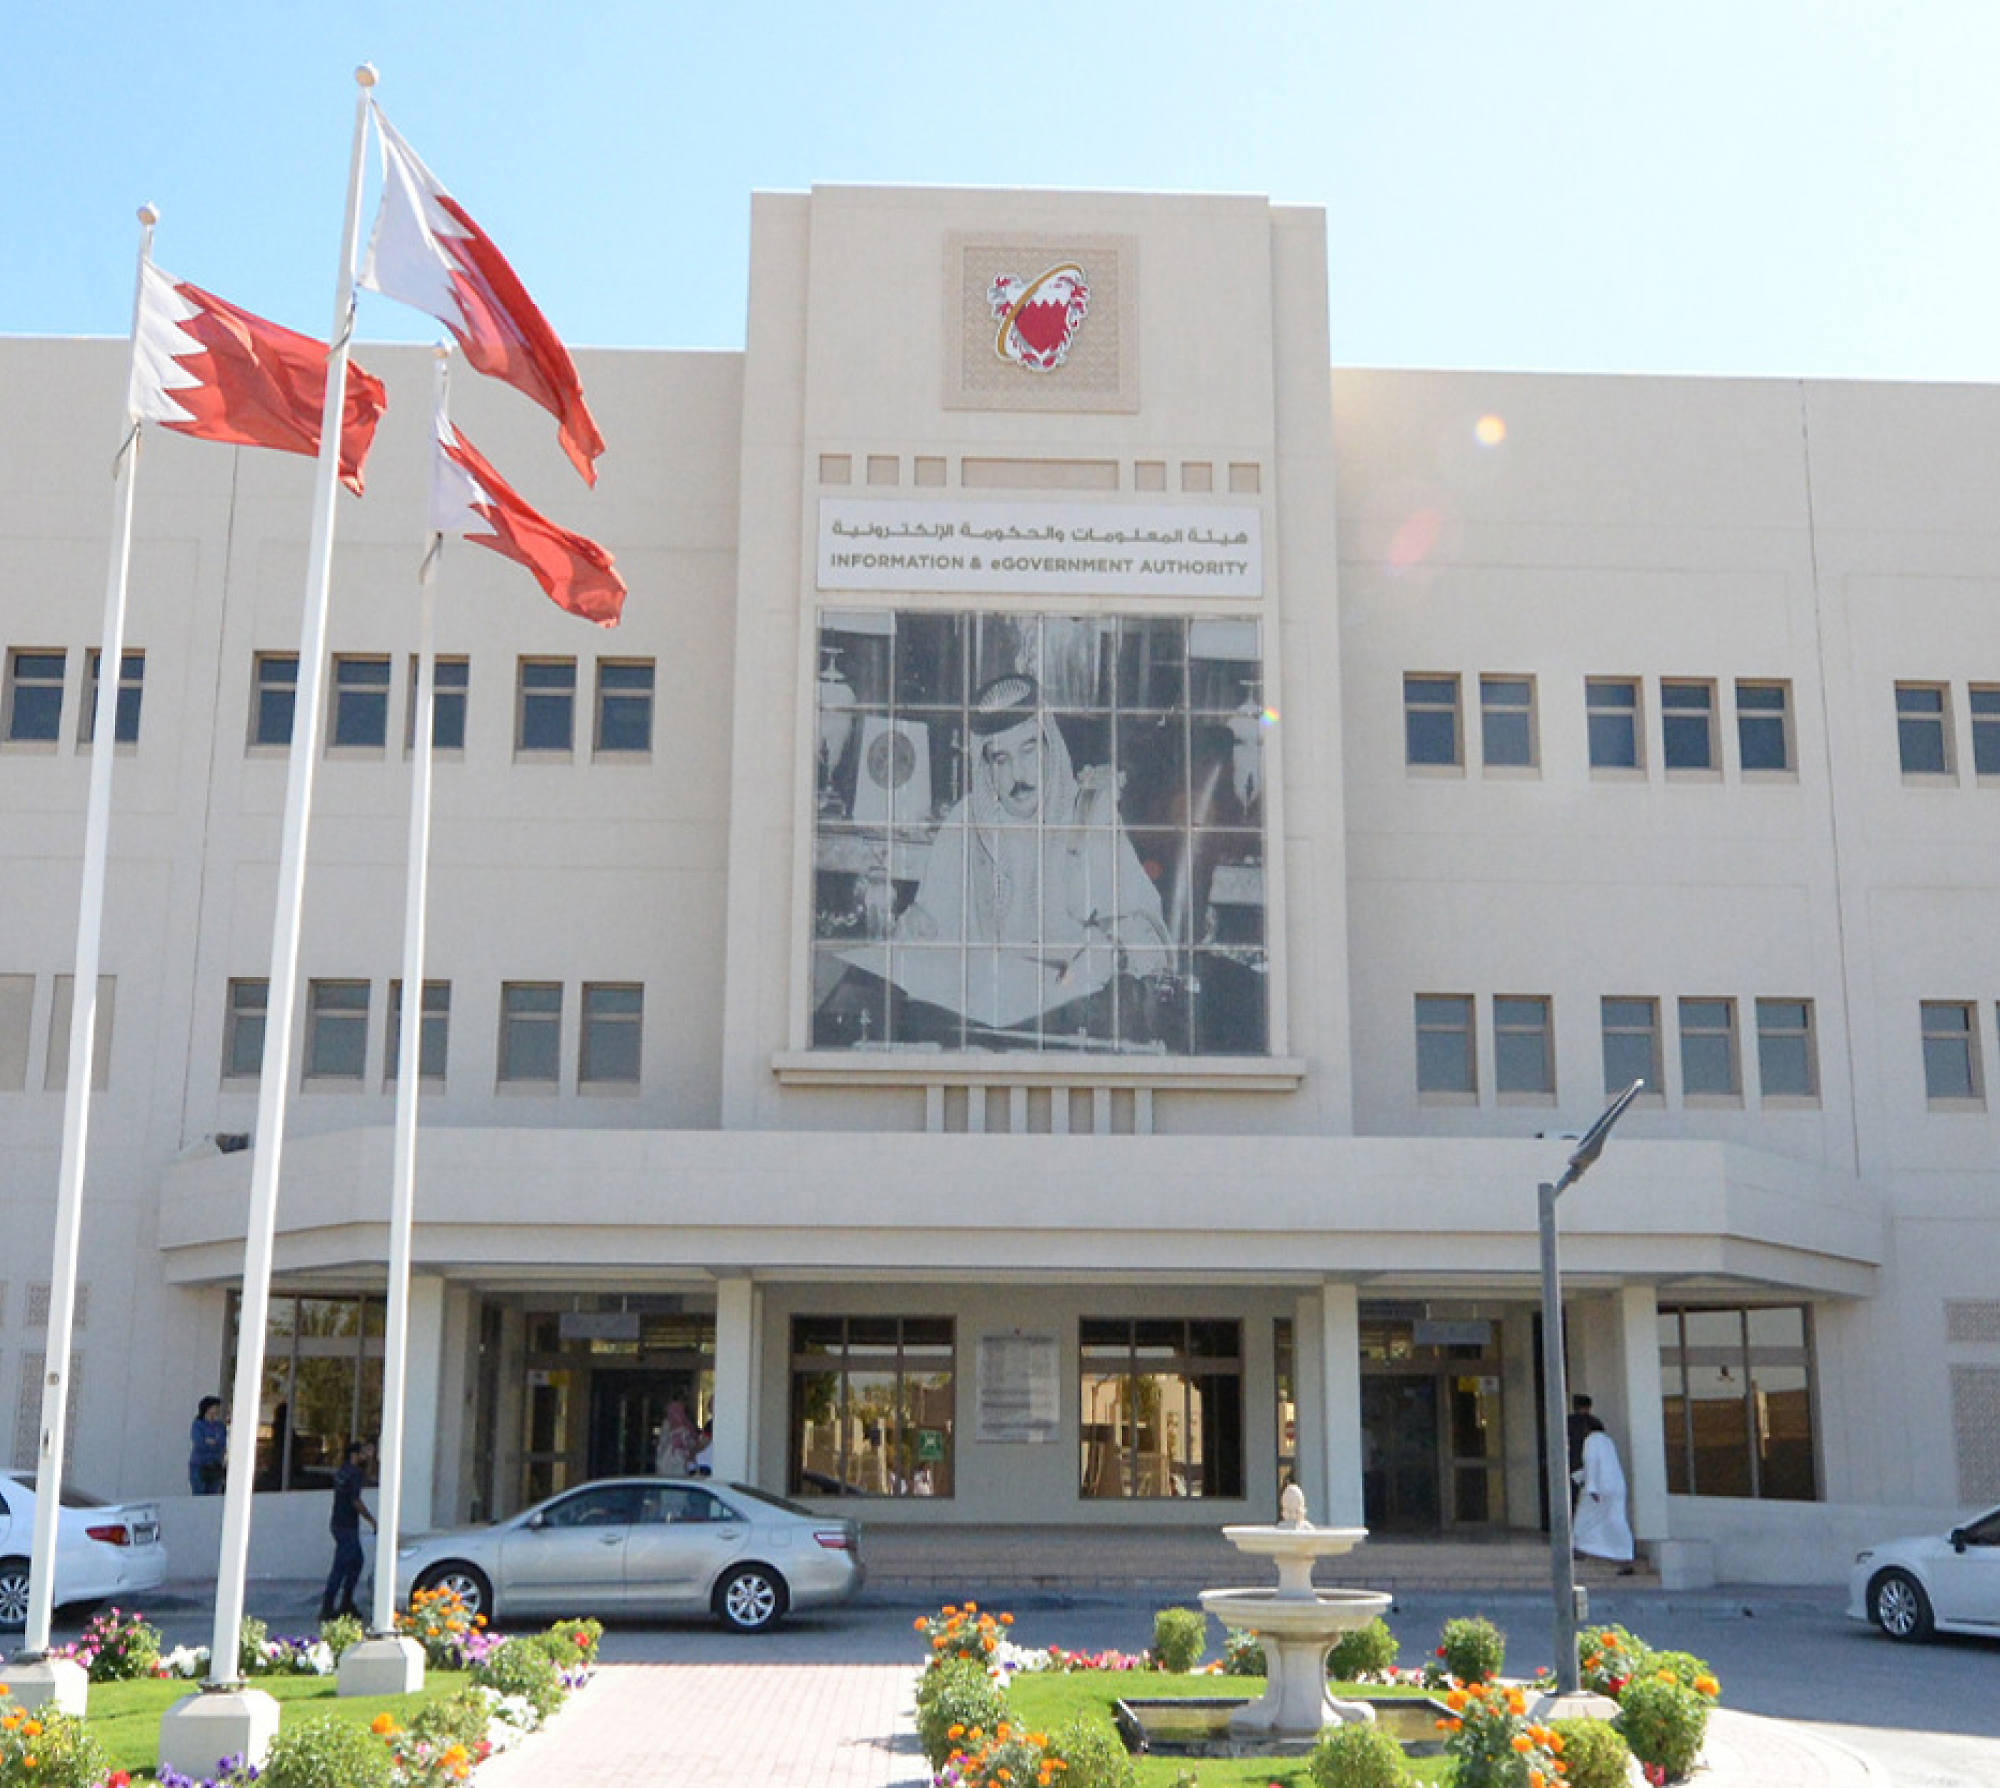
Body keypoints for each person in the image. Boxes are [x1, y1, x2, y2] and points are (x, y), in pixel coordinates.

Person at [848, 673, 1174, 1042]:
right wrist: (915, 932)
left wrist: (1110, 952)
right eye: (1001, 759)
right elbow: (929, 930)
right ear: (986, 767)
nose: (1018, 776)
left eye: (1028, 751)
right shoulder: (966, 822)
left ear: (1049, 746)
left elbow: (1149, 940)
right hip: (973, 1033)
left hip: (1067, 1031)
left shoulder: (1089, 815)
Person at [320, 1438, 377, 1622]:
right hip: (347, 1525)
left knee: (355, 1562)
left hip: (338, 1522)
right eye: (361, 1453)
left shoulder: (343, 1471)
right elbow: (356, 1501)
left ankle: (345, 1602)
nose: (364, 1456)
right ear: (354, 1455)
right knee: (342, 1565)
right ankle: (328, 1607)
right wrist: (372, 1520)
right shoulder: (354, 1474)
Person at [1571, 1424, 1636, 1572]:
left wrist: (1591, 1487)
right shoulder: (1608, 1442)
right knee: (1616, 1520)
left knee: (1584, 1518)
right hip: (1616, 1487)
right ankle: (1625, 1556)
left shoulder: (1591, 1441)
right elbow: (1606, 1465)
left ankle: (1579, 1548)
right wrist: (1578, 1476)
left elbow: (1592, 1463)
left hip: (1600, 1488)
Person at [188, 1396, 227, 1495]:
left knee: (213, 1495)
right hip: (200, 1466)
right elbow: (199, 1444)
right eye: (215, 1407)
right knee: (199, 1494)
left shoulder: (220, 1426)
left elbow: (222, 1445)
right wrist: (211, 1444)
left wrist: (211, 1442)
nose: (217, 1409)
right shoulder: (198, 1425)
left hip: (215, 1466)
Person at [1565, 1394, 1597, 1509]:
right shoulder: (1594, 1423)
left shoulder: (1568, 1423)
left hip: (1573, 1465)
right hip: (1589, 1466)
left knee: (1573, 1500)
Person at [655, 1400, 700, 1477]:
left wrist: (684, 1446)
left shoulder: (688, 1427)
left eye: (677, 1411)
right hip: (665, 1463)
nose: (672, 1415)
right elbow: (662, 1445)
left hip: (681, 1463)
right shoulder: (666, 1425)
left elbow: (695, 1446)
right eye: (670, 1412)